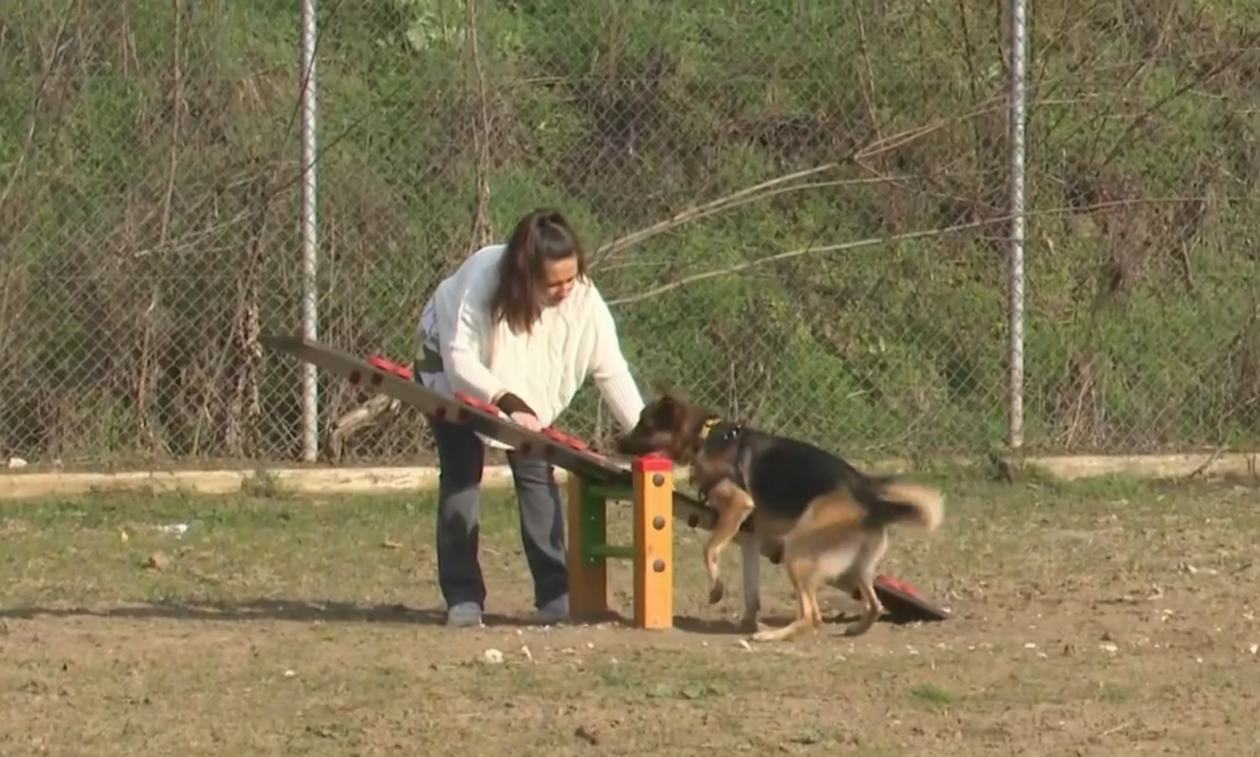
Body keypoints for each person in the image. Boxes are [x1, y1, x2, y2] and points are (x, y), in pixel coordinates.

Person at [413, 208, 646, 628]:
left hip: (521, 394)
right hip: (450, 373)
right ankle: (463, 597)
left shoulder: (585, 302)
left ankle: (556, 594)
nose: (564, 291)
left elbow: (611, 369)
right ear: (526, 276)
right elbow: (461, 362)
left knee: (537, 470)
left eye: (570, 279)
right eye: (553, 283)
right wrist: (508, 400)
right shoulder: (482, 281)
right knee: (462, 475)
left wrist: (646, 437)